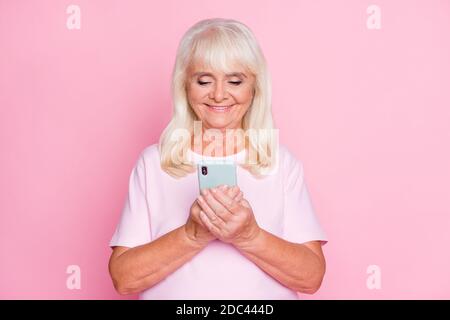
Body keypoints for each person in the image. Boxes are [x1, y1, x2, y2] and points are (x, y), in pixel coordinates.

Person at [108, 18, 328, 299]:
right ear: (185, 86)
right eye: (204, 80)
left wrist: (248, 235)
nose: (219, 94)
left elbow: (311, 277)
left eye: (235, 81)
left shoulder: (280, 164)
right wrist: (192, 234)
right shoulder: (154, 163)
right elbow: (124, 278)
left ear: (254, 88)